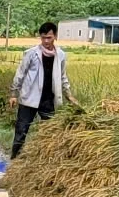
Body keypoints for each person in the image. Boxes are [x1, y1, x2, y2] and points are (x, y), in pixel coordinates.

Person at [9, 21, 78, 158]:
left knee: (50, 132)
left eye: (49, 38)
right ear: (40, 37)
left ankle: (45, 160)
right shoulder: (31, 54)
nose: (46, 41)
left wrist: (69, 95)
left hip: (48, 99)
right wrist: (13, 94)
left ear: (55, 36)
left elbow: (63, 76)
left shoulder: (61, 55)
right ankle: (14, 160)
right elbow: (20, 74)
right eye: (43, 38)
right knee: (21, 131)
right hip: (30, 97)